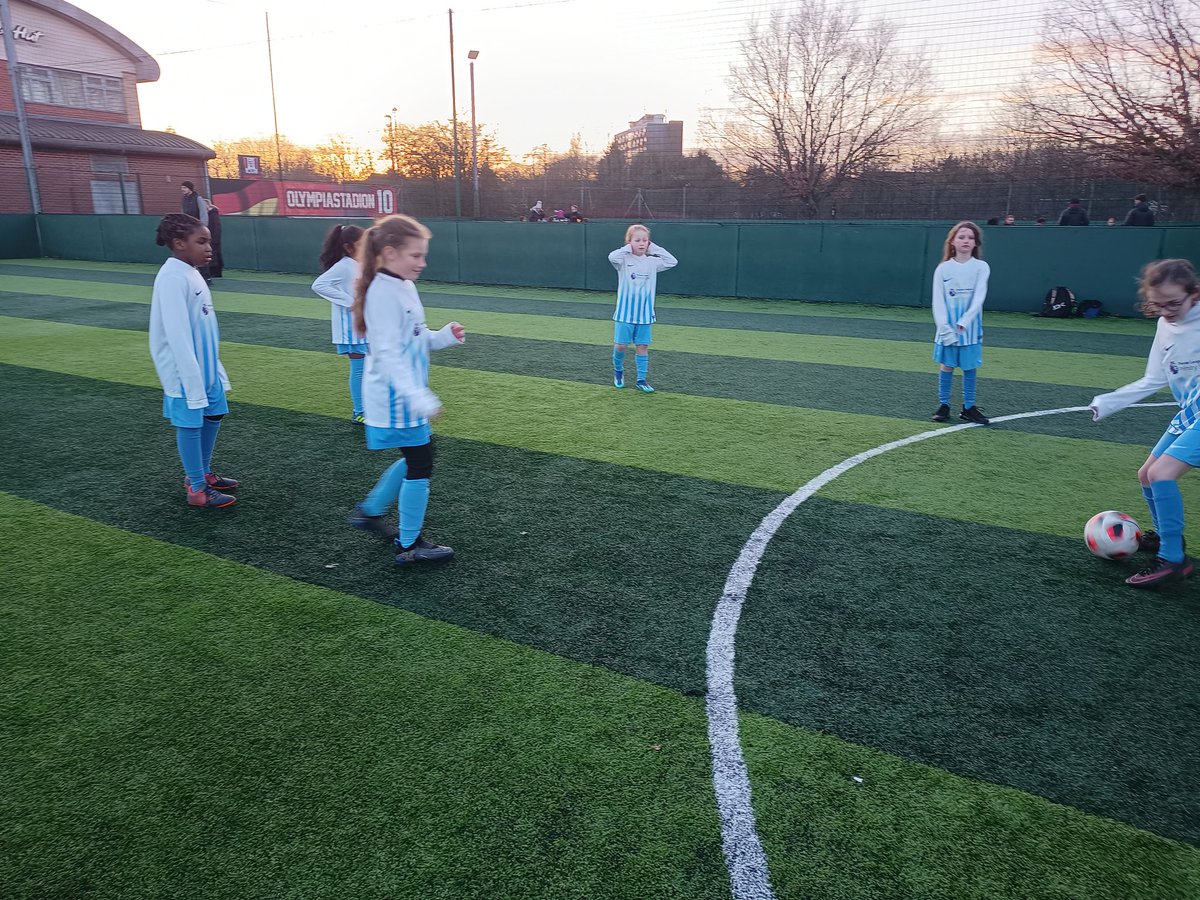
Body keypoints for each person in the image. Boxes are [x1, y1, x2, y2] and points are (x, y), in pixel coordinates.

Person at [345, 215, 466, 565]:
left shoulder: (402, 286)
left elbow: (415, 337)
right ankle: (408, 544)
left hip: (403, 396)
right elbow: (387, 354)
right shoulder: (383, 293)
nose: (422, 262)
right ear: (390, 253)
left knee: (420, 457)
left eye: (423, 255)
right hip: (395, 398)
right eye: (415, 255)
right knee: (421, 462)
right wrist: (418, 397)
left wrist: (443, 336)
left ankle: (370, 511)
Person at [1089, 259, 1200, 587]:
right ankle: (1169, 538)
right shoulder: (1165, 325)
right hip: (1190, 412)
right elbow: (1154, 378)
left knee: (1161, 473)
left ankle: (1173, 560)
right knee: (1146, 475)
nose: (1166, 311)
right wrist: (1108, 402)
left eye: (1173, 303)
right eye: (1157, 305)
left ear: (1193, 294)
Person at [149, 214, 239, 508]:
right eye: (201, 242)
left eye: (209, 241)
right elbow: (177, 334)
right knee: (190, 423)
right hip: (186, 371)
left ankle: (202, 472)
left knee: (214, 414)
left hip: (206, 367)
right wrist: (191, 377)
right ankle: (197, 489)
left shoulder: (191, 272)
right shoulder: (172, 277)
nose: (209, 247)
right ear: (179, 244)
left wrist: (214, 367)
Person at [931, 221, 990, 425]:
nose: (966, 241)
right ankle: (944, 405)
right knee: (947, 365)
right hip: (947, 328)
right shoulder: (943, 269)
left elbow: (979, 297)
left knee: (969, 366)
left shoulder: (981, 267)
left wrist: (965, 321)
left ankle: (969, 407)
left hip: (970, 330)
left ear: (976, 243)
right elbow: (938, 300)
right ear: (953, 242)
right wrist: (944, 327)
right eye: (961, 237)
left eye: (971, 238)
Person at [608, 224, 678, 393]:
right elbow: (612, 257)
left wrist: (654, 248)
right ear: (629, 242)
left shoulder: (652, 262)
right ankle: (618, 371)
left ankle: (641, 380)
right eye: (637, 240)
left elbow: (672, 261)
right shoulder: (623, 260)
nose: (641, 243)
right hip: (625, 314)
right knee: (621, 346)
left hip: (645, 315)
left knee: (642, 347)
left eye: (645, 240)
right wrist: (627, 248)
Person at [312, 223, 368, 423]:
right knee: (359, 368)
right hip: (350, 327)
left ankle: (367, 408)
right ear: (348, 247)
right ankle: (359, 412)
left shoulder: (358, 263)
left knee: (368, 367)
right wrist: (350, 302)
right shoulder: (344, 265)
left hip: (364, 324)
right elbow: (319, 285)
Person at [180, 181, 215, 283]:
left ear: (190, 188)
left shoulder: (198, 199)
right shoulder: (184, 200)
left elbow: (203, 214)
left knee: (200, 252)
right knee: (189, 252)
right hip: (188, 230)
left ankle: (206, 277)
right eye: (182, 187)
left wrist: (202, 228)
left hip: (198, 230)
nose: (182, 189)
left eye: (184, 188)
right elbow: (183, 214)